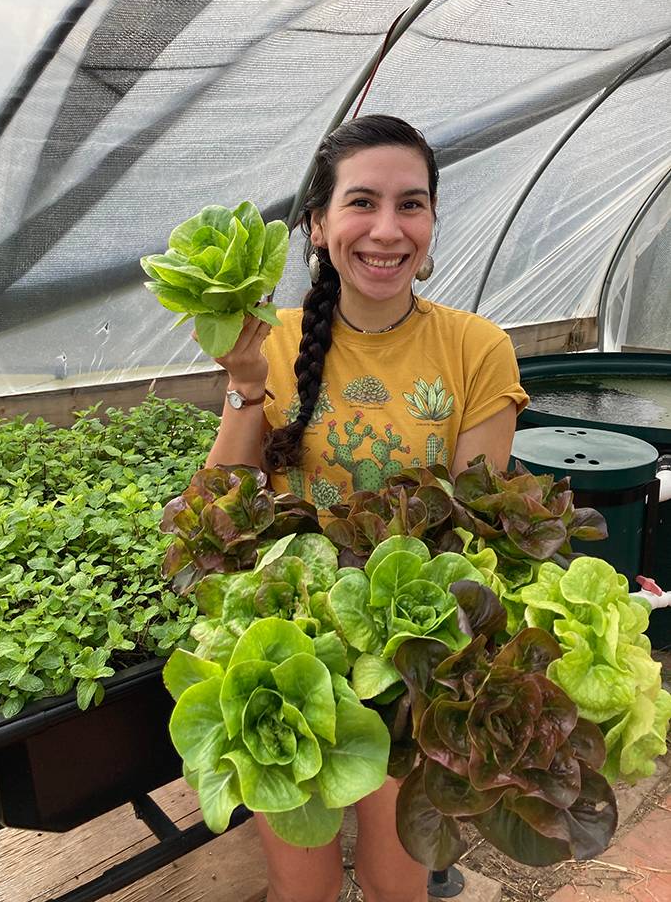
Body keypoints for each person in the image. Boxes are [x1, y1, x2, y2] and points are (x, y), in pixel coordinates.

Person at [204, 114, 529, 902]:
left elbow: (470, 534)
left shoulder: (478, 348)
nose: (387, 230)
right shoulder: (270, 340)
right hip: (288, 658)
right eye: (362, 203)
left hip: (406, 663)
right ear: (317, 225)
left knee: (397, 887)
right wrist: (247, 384)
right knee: (301, 890)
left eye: (411, 205)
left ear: (432, 223)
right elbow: (215, 518)